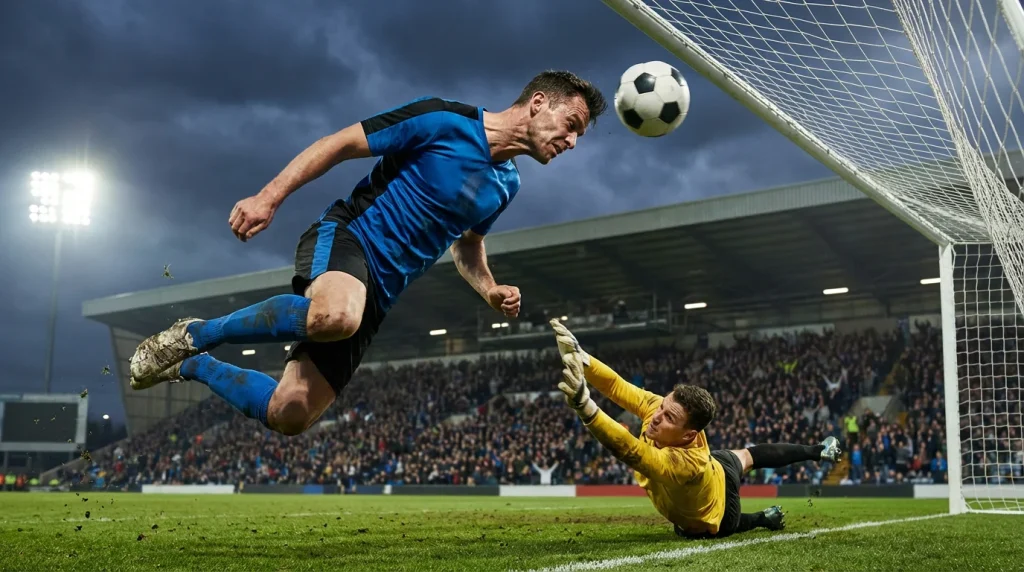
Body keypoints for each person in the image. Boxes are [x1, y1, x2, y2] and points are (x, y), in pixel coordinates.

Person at [127, 71, 608, 437]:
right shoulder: (443, 119)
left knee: (290, 413)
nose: (571, 142)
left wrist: (489, 288)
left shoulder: (508, 186)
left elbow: (468, 246)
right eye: (571, 126)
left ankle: (192, 366)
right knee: (336, 314)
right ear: (539, 102)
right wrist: (269, 196)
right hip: (349, 238)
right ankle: (196, 335)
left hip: (379, 296)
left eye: (578, 137)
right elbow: (341, 143)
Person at [548, 319, 842, 538]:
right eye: (663, 407)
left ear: (689, 435)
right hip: (718, 466)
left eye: (669, 418)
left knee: (726, 525)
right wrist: (582, 358)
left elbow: (632, 451)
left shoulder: (685, 464)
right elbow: (617, 386)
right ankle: (820, 450)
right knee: (749, 456)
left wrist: (586, 407)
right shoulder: (662, 409)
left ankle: (764, 517)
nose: (656, 417)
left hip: (715, 513)